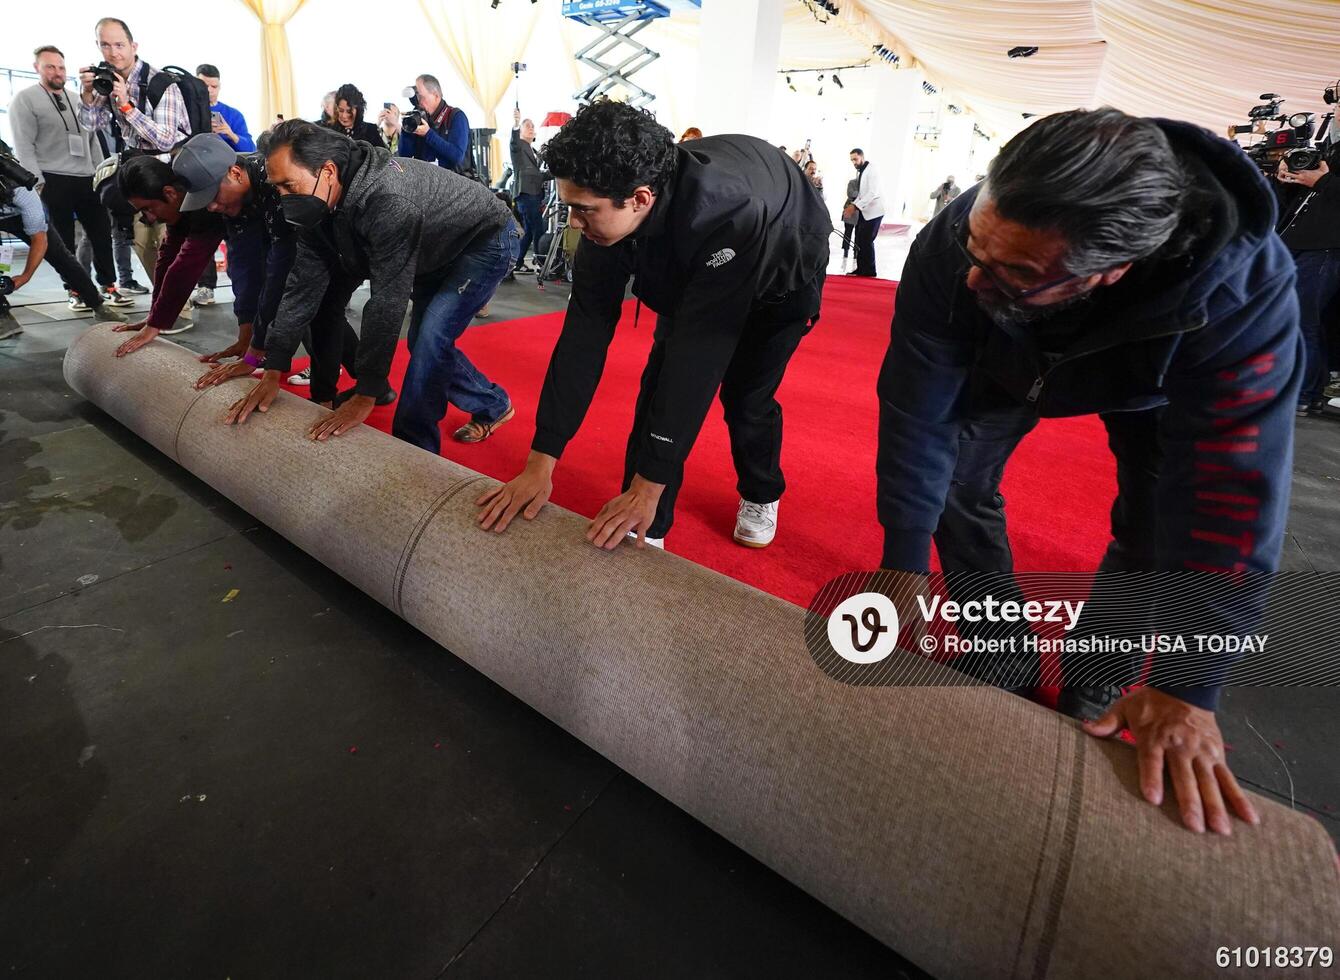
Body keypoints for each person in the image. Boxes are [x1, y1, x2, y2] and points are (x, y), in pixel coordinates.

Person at [875, 106, 1303, 836]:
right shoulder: (965, 242)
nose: (975, 275)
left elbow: (1233, 494)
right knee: (956, 486)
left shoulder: (1243, 293)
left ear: (1111, 270)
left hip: (1155, 376)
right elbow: (919, 407)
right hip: (1007, 358)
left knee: (1149, 529)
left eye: (1012, 269)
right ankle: (997, 641)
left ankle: (1099, 665)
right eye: (978, 246)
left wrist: (1187, 686)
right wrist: (905, 560)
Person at [477, 100, 831, 551]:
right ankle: (650, 522)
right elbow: (584, 335)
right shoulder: (606, 210)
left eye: (584, 210)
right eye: (570, 207)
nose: (575, 222)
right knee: (659, 379)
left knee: (745, 397)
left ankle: (760, 491)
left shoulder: (725, 210)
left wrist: (649, 485)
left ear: (641, 199)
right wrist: (540, 462)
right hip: (691, 259)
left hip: (781, 274)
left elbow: (698, 356)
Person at [223, 121, 519, 450]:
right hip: (433, 245)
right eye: (276, 187)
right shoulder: (314, 206)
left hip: (484, 240)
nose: (281, 197)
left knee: (431, 338)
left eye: (288, 185)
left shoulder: (387, 199)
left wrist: (368, 391)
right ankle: (493, 404)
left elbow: (386, 300)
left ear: (328, 171)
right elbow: (300, 288)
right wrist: (274, 367)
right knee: (426, 340)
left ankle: (414, 450)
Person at [170, 133, 367, 402]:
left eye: (214, 196)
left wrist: (259, 352)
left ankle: (339, 394)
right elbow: (243, 267)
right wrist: (246, 333)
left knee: (319, 311)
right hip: (315, 243)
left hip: (343, 239)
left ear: (236, 173)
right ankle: (357, 385)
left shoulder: (273, 180)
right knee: (314, 311)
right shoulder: (236, 199)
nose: (213, 207)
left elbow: (281, 271)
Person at [9, 45, 131, 312]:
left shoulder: (78, 99)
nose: (57, 72)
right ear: (37, 69)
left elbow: (93, 139)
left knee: (101, 234)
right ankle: (74, 290)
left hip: (87, 177)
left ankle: (108, 285)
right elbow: (24, 145)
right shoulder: (25, 99)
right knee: (64, 241)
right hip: (52, 178)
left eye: (61, 67)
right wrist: (36, 183)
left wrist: (102, 174)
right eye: (50, 66)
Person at [77, 17, 194, 285]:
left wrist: (128, 107)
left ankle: (179, 309)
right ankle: (163, 307)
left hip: (170, 171)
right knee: (144, 244)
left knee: (173, 244)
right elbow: (91, 124)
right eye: (105, 45)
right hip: (138, 173)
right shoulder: (108, 80)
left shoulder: (160, 83)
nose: (113, 52)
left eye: (119, 44)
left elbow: (165, 140)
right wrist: (86, 95)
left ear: (133, 45)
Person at [0, 141, 128, 339]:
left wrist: (25, 276)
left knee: (61, 257)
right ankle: (2, 316)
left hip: (17, 214)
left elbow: (39, 240)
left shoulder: (22, 191)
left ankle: (97, 304)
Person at [105, 155, 227, 351]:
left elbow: (185, 267)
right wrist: (155, 317)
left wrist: (155, 324)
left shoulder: (203, 205)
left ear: (169, 193)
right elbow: (167, 260)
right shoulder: (179, 204)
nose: (149, 218)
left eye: (148, 209)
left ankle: (261, 356)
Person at [1273, 109, 1340, 416]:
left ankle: (1305, 392)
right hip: (1294, 243)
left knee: (1305, 322)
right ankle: (1301, 389)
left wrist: (1323, 180)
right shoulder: (1327, 147)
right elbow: (1299, 202)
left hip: (1326, 249)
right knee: (1290, 320)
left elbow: (1327, 191)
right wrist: (1288, 179)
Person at [190, 64, 255, 308]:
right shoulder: (189, 114)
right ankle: (206, 286)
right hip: (201, 186)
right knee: (201, 237)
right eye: (203, 86)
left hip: (230, 187)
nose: (209, 91)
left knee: (237, 242)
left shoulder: (233, 115)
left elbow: (250, 148)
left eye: (213, 86)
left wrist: (231, 134)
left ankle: (245, 290)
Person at [394, 75, 471, 173]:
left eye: (421, 97)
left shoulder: (456, 116)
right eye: (416, 97)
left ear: (436, 96)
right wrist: (407, 130)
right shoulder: (420, 117)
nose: (419, 102)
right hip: (426, 182)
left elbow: (457, 156)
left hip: (453, 183)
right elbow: (405, 156)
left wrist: (428, 134)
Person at [510, 107, 548, 272]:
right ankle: (541, 263)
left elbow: (538, 174)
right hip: (527, 194)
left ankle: (516, 262)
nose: (532, 128)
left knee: (530, 231)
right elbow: (514, 141)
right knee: (538, 228)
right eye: (528, 126)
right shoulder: (519, 146)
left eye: (533, 126)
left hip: (533, 194)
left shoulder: (533, 150)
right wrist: (516, 124)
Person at [847, 148, 885, 277]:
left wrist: (855, 206)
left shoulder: (872, 169)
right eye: (852, 160)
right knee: (860, 240)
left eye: (855, 159)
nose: (854, 162)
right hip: (865, 211)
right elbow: (862, 194)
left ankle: (869, 271)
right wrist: (852, 205)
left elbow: (872, 193)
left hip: (874, 211)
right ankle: (861, 268)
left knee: (867, 240)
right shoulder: (861, 171)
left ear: (862, 157)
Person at [322, 84, 386, 148]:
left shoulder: (371, 130)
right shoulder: (327, 131)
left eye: (349, 111)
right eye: (341, 110)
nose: (344, 116)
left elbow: (385, 156)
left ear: (358, 110)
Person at [840, 172, 859, 270]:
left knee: (858, 235)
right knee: (847, 233)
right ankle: (845, 252)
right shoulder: (852, 182)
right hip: (850, 210)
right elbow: (851, 194)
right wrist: (860, 194)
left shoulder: (867, 184)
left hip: (860, 212)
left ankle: (856, 254)